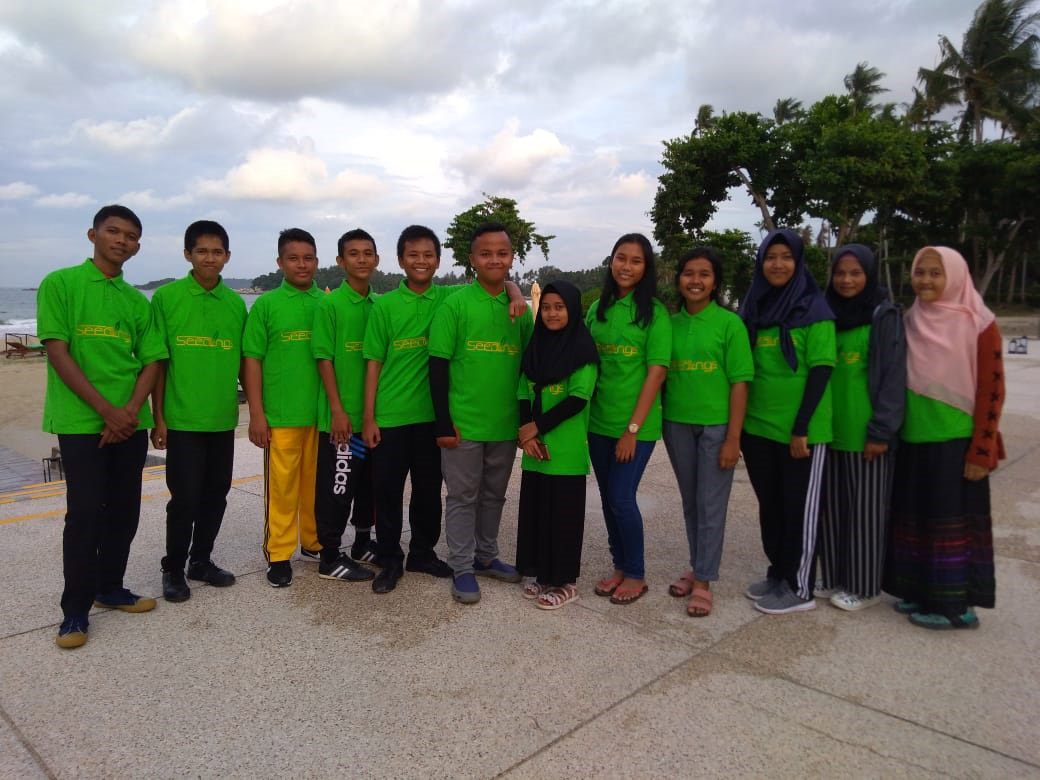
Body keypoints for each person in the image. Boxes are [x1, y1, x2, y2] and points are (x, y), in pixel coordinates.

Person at [362, 225, 525, 595]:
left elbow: (494, 283)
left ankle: (422, 552)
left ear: (439, 261)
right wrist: (368, 417)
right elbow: (372, 363)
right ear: (401, 260)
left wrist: (514, 289)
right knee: (387, 491)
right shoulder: (384, 305)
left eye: (428, 255)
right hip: (391, 415)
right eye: (413, 255)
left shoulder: (447, 297)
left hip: (432, 418)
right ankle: (389, 558)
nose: (421, 262)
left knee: (427, 491)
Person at [39, 204, 166, 648]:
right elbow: (58, 351)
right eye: (114, 232)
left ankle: (110, 587)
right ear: (92, 234)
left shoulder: (136, 301)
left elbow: (151, 360)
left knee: (124, 511)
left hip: (130, 422)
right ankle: (74, 611)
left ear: (137, 246)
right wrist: (107, 411)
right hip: (79, 421)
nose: (122, 241)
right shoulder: (61, 284)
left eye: (131, 236)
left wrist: (130, 411)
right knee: (85, 513)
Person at [883, 246, 1004, 630]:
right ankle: (919, 590)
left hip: (957, 442)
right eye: (920, 272)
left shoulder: (979, 323)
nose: (926, 281)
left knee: (952, 525)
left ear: (954, 275)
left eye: (936, 273)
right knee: (917, 519)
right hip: (915, 440)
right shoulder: (910, 321)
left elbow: (993, 390)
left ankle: (957, 606)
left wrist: (981, 452)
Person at [429, 222, 534, 604]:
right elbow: (437, 367)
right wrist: (443, 421)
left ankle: (486, 555)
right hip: (464, 424)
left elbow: (529, 365)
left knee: (494, 495)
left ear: (511, 258)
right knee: (462, 496)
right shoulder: (455, 304)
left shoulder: (519, 310)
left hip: (504, 425)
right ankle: (461, 566)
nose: (495, 259)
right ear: (472, 260)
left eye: (502, 253)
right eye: (486, 253)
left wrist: (525, 421)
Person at [739, 228, 835, 615]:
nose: (777, 264)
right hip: (758, 428)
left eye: (786, 257)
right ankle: (778, 572)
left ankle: (800, 587)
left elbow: (821, 370)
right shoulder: (756, 307)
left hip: (801, 432)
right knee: (771, 505)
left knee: (799, 509)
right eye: (770, 257)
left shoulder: (815, 310)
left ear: (798, 263)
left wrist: (801, 427)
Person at [150, 220, 246, 602]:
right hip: (183, 419)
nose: (210, 257)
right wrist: (158, 417)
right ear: (187, 254)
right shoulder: (167, 298)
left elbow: (244, 362)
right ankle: (172, 567)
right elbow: (158, 363)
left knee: (217, 494)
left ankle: (201, 561)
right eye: (202, 251)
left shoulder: (236, 303)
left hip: (222, 419)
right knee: (185, 498)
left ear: (227, 256)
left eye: (217, 251)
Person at [662, 248, 753, 618]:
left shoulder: (730, 324)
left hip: (717, 428)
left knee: (711, 504)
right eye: (688, 273)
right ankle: (697, 565)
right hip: (677, 424)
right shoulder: (669, 324)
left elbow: (740, 383)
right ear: (679, 278)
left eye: (704, 274)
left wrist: (734, 437)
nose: (695, 280)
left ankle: (704, 581)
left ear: (715, 282)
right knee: (690, 501)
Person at [817, 244, 905, 612]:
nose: (847, 280)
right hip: (830, 432)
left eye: (855, 273)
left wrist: (881, 431)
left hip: (866, 432)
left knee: (866, 513)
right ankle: (836, 575)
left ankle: (865, 586)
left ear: (868, 275)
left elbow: (893, 377)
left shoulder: (884, 316)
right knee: (832, 510)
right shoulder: (827, 314)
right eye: (840, 273)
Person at [586, 233, 671, 606]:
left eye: (636, 261)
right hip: (597, 423)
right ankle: (619, 566)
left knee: (622, 497)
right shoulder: (597, 310)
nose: (626, 266)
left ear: (645, 268)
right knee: (608, 499)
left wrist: (632, 430)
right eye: (621, 258)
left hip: (635, 427)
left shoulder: (655, 313)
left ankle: (636, 573)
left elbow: (656, 373)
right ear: (611, 261)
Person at [242, 228, 324, 588]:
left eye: (308, 258)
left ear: (317, 262)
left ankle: (313, 541)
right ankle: (278, 553)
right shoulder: (267, 305)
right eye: (294, 258)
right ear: (280, 263)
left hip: (321, 416)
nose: (302, 265)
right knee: (282, 487)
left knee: (316, 485)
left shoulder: (327, 303)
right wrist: (257, 415)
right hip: (281, 416)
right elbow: (252, 360)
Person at [514, 280, 599, 610]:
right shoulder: (536, 348)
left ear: (573, 310)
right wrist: (527, 433)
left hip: (565, 449)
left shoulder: (582, 350)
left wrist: (537, 426)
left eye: (559, 307)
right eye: (546, 307)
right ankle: (539, 573)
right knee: (537, 511)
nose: (551, 313)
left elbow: (578, 398)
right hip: (535, 449)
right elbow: (523, 391)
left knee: (562, 515)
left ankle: (565, 582)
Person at [310, 229, 383, 585]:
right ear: (340, 261)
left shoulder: (380, 305)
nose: (362, 259)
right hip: (343, 420)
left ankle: (362, 545)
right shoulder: (330, 304)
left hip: (373, 418)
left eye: (368, 253)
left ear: (377, 259)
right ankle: (329, 556)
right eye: (353, 254)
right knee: (339, 487)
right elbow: (323, 358)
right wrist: (338, 410)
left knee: (367, 485)